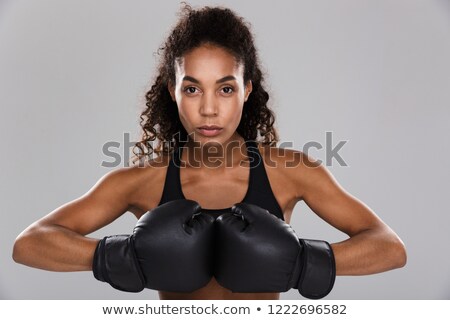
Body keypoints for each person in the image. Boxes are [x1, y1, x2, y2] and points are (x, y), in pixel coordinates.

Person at [12, 4, 407, 300]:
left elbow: (389, 247)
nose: (208, 109)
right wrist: (119, 257)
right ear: (173, 91)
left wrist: (303, 263)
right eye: (191, 88)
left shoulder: (291, 171)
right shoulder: (140, 181)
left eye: (226, 88)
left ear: (247, 89)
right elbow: (30, 243)